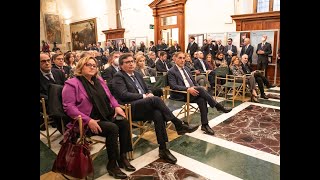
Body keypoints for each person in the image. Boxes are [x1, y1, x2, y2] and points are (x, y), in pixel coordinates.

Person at [112, 53, 199, 165]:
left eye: (132, 61)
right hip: (130, 108)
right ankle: (178, 123)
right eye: (127, 62)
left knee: (158, 113)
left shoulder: (137, 74)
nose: (131, 64)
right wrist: (145, 96)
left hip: (144, 105)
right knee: (156, 100)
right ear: (121, 65)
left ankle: (163, 149)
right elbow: (123, 94)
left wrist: (148, 93)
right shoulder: (119, 76)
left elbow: (147, 88)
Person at [62, 56, 135, 179]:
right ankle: (112, 164)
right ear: (80, 67)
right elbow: (69, 107)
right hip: (86, 121)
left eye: (94, 65)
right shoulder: (72, 84)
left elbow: (110, 97)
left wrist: (116, 106)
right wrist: (88, 120)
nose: (92, 67)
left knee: (124, 123)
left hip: (105, 115)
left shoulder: (99, 80)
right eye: (88, 65)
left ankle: (122, 157)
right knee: (112, 128)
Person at [168, 52, 232, 135]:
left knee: (202, 99)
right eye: (180, 58)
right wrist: (188, 89)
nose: (182, 60)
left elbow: (194, 82)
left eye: (184, 58)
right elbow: (173, 86)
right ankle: (218, 106)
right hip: (181, 94)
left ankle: (205, 125)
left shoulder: (186, 69)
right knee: (201, 90)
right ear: (175, 59)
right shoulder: (171, 71)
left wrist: (196, 88)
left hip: (191, 92)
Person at [40, 53, 66, 131]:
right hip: (47, 103)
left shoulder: (59, 72)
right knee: (60, 111)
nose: (47, 63)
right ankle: (67, 133)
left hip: (64, 99)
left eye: (48, 60)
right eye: (43, 61)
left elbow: (66, 87)